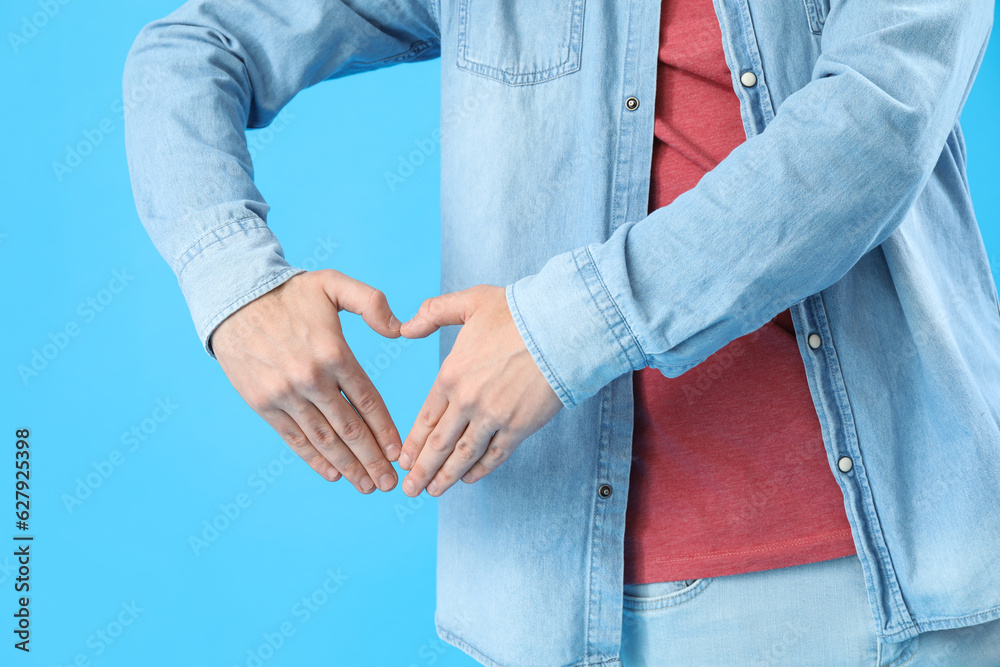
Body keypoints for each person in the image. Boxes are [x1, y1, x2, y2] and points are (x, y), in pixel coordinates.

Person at [123, 0, 1000, 664]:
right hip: (557, 612)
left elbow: (878, 122)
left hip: (900, 584)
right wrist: (235, 287)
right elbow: (196, 46)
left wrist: (561, 326)